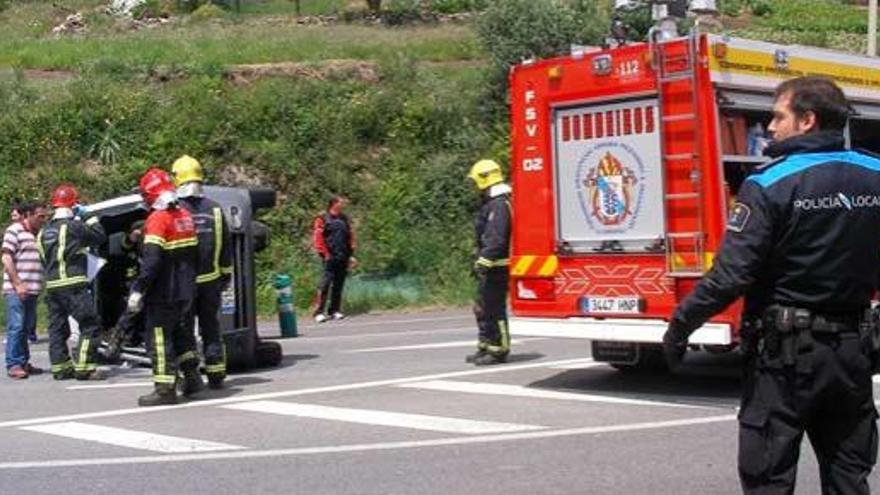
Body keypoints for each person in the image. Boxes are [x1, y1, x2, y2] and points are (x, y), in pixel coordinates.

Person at [663, 76, 880, 494]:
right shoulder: (874, 174)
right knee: (849, 477)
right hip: (852, 355)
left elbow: (732, 275)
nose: (771, 126)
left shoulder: (769, 183)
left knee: (768, 477)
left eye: (779, 116)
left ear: (807, 120)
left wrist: (680, 326)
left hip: (784, 362)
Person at [128, 168, 202, 406]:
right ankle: (192, 377)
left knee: (158, 338)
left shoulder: (158, 220)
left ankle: (164, 389)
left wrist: (138, 289)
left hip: (164, 292)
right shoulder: (184, 216)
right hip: (185, 289)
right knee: (181, 334)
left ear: (150, 195)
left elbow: (152, 261)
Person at [172, 155, 232, 389]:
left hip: (185, 283)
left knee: (185, 329)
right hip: (211, 281)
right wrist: (225, 274)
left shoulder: (177, 211)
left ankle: (191, 375)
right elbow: (224, 245)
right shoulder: (215, 210)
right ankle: (216, 373)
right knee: (211, 326)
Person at [37, 184, 107, 380]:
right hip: (73, 284)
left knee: (57, 328)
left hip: (52, 286)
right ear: (73, 205)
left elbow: (43, 259)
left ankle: (60, 368)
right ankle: (85, 367)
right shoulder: (74, 227)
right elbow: (99, 237)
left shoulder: (43, 232)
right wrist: (89, 216)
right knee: (90, 324)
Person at [466, 159, 512, 366]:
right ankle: (485, 345)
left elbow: (497, 239)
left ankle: (499, 349)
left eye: (476, 181)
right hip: (490, 265)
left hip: (498, 266)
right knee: (482, 307)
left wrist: (484, 261)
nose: (474, 186)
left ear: (485, 180)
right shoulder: (491, 204)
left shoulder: (500, 205)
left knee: (494, 309)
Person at [2, 202, 46, 379]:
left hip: (32, 289)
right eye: (40, 216)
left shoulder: (37, 234)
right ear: (28, 214)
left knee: (26, 327)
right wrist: (18, 283)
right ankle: (14, 364)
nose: (43, 220)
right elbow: (6, 257)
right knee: (17, 326)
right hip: (16, 288)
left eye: (45, 216)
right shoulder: (14, 230)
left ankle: (23, 361)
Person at [312, 196, 357, 323]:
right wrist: (324, 253)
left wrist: (351, 255)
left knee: (338, 285)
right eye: (341, 202)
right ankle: (319, 312)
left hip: (343, 256)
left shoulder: (344, 218)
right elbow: (318, 238)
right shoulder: (322, 218)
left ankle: (334, 310)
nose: (343, 204)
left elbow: (350, 237)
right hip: (329, 256)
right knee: (325, 284)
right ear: (334, 204)